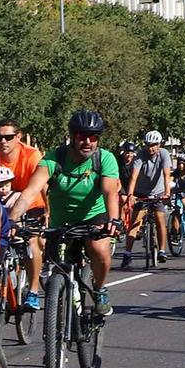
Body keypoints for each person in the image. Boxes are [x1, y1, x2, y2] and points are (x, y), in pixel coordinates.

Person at [39, 110, 122, 316]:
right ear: (72, 136)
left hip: (93, 217)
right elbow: (31, 190)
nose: (87, 141)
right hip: (61, 222)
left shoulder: (105, 158)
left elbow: (110, 192)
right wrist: (12, 219)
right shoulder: (54, 158)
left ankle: (100, 289)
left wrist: (113, 219)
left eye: (93, 137)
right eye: (81, 136)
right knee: (56, 270)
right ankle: (57, 314)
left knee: (99, 249)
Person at [0, 117, 50, 307]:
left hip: (31, 202)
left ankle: (33, 291)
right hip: (3, 203)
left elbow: (43, 186)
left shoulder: (31, 155)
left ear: (18, 137)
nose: (3, 142)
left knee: (31, 241)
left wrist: (48, 211)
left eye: (8, 137)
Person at [123, 129, 174, 263]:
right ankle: (127, 254)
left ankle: (162, 250)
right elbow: (133, 177)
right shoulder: (140, 155)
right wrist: (130, 195)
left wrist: (167, 193)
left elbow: (166, 174)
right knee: (135, 223)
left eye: (153, 145)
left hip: (158, 193)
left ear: (159, 145)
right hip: (141, 193)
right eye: (148, 145)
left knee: (159, 220)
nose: (150, 148)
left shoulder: (164, 154)